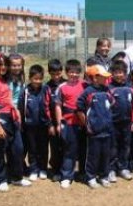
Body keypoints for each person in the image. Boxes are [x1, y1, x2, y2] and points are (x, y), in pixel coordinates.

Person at [0, 53, 31, 192]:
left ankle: (17, 177)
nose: (2, 67)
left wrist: (16, 111)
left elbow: (9, 99)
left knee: (17, 148)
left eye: (4, 64)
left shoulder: (4, 79)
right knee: (0, 150)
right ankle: (1, 179)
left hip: (12, 117)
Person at [77, 65, 113, 189]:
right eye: (103, 77)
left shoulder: (107, 90)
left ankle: (103, 176)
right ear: (95, 78)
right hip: (94, 131)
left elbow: (111, 104)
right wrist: (87, 124)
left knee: (105, 155)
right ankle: (91, 177)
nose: (106, 79)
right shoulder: (88, 92)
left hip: (107, 130)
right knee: (93, 155)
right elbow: (79, 108)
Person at [18, 65, 53, 181]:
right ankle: (33, 169)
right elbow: (21, 108)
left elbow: (50, 107)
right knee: (32, 148)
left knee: (43, 148)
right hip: (30, 126)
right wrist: (22, 124)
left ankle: (43, 169)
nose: (37, 81)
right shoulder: (25, 91)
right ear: (30, 78)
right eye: (35, 79)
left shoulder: (46, 89)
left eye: (39, 79)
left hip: (43, 125)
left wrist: (50, 123)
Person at [55, 59, 86, 189]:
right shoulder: (61, 87)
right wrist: (58, 123)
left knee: (84, 150)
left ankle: (83, 173)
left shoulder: (85, 85)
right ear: (67, 73)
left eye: (76, 72)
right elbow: (58, 106)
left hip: (84, 123)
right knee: (69, 151)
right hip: (69, 123)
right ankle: (67, 176)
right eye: (71, 72)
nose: (74, 75)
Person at [108, 60, 133, 181]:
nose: (120, 75)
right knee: (113, 147)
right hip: (112, 124)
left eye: (122, 72)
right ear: (112, 73)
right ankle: (111, 169)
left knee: (125, 146)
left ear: (126, 73)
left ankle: (123, 168)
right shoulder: (108, 88)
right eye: (117, 72)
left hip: (127, 123)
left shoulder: (129, 87)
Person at [46, 59, 67, 181]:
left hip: (67, 122)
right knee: (54, 147)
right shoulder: (47, 87)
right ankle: (55, 170)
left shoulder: (66, 84)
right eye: (53, 74)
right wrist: (50, 125)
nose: (56, 76)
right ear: (49, 73)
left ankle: (65, 170)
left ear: (62, 71)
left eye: (58, 73)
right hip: (54, 123)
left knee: (66, 147)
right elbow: (46, 108)